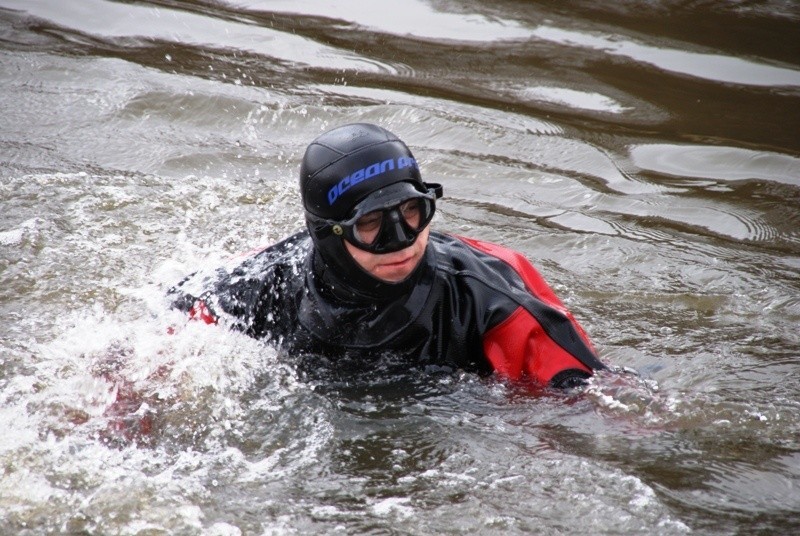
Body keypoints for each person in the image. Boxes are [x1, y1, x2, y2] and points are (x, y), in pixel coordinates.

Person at [169, 123, 605, 388]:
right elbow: (156, 341)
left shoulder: (490, 295)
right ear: (326, 235)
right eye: (371, 224)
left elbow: (591, 405)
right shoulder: (266, 281)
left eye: (413, 212)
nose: (402, 240)